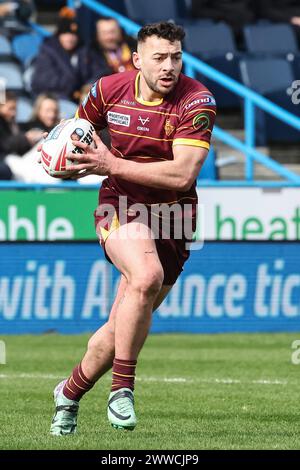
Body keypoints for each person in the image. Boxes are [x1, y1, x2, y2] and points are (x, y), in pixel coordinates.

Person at [48, 21, 216, 436]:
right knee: (146, 276)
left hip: (174, 217)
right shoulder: (108, 89)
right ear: (136, 59)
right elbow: (76, 134)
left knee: (120, 323)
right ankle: (122, 390)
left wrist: (110, 163)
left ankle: (67, 395)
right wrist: (61, 159)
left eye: (176, 57)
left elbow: (181, 176)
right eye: (159, 57)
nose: (169, 66)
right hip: (120, 204)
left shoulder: (197, 101)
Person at [31, 8, 104, 101]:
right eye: (65, 34)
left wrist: (89, 85)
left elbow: (100, 71)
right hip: (54, 99)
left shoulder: (84, 51)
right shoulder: (48, 51)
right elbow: (43, 81)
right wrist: (75, 87)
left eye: (73, 35)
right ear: (59, 35)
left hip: (81, 99)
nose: (70, 38)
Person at [0, 90, 43, 180]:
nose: (13, 113)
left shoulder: (14, 125)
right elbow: (4, 145)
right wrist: (25, 138)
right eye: (10, 109)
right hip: (6, 161)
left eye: (15, 109)